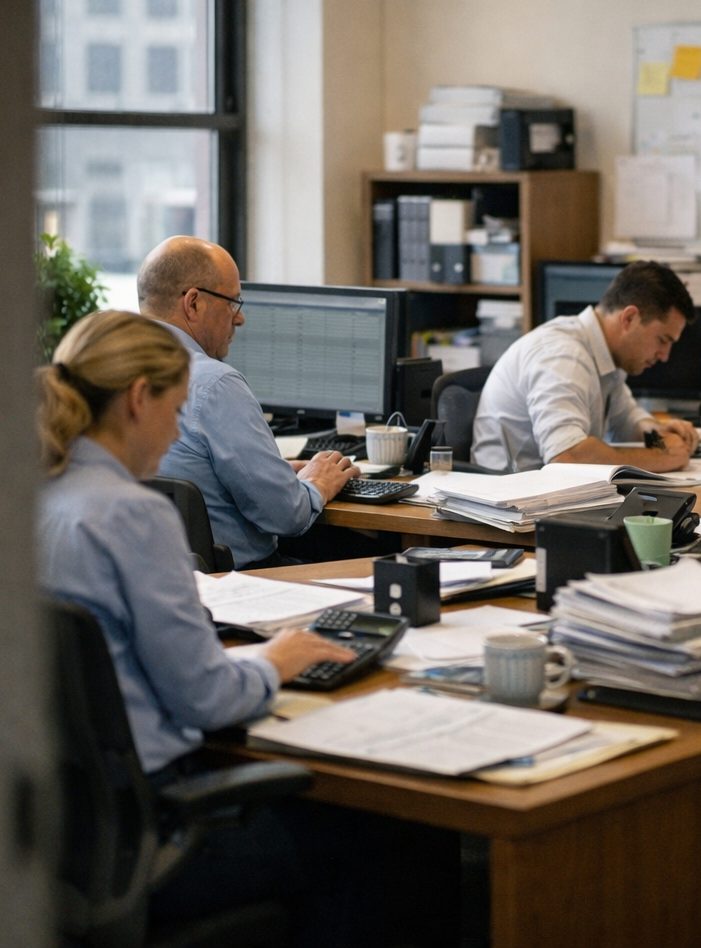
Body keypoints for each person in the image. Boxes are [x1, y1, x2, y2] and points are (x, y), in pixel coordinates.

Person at [37, 311, 458, 945]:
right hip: (161, 838)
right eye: (177, 410)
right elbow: (207, 699)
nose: (179, 429)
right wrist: (277, 660)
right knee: (395, 829)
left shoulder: (34, 496)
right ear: (138, 398)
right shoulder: (132, 514)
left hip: (66, 840)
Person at [136, 236, 361, 570]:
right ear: (194, 303)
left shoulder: (112, 374)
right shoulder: (214, 384)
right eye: (232, 302)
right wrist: (317, 483)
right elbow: (286, 515)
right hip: (240, 585)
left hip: (151, 586)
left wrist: (275, 474)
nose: (238, 318)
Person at [473, 261, 700, 473]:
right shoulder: (563, 355)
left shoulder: (607, 356)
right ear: (629, 318)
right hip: (509, 502)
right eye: (663, 340)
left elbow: (626, 419)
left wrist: (657, 435)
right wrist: (661, 458)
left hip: (547, 498)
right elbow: (567, 457)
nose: (664, 356)